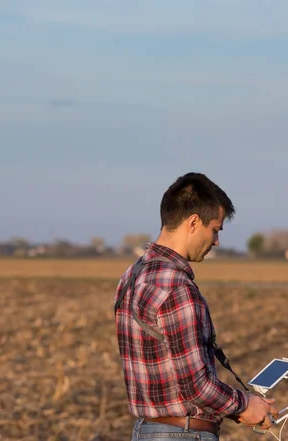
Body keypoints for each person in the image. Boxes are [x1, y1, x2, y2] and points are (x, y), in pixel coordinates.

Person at [114, 172, 278, 441]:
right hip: (183, 434)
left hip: (146, 431)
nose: (216, 241)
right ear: (193, 222)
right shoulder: (176, 287)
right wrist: (246, 404)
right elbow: (196, 387)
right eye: (215, 229)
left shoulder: (131, 276)